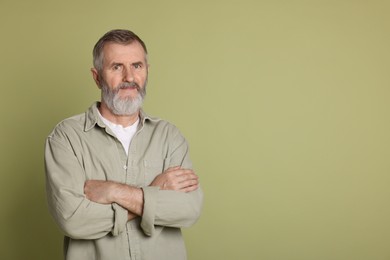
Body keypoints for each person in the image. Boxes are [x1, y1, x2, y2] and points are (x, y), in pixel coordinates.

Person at [45, 29, 203, 260]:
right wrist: (154, 194)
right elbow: (74, 220)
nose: (129, 77)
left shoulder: (169, 136)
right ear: (97, 76)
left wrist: (113, 191)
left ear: (147, 71)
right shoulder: (66, 137)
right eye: (117, 67)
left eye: (137, 66)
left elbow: (188, 209)